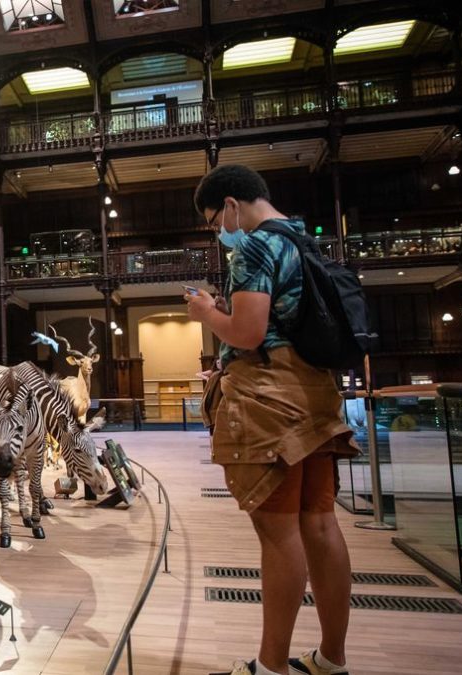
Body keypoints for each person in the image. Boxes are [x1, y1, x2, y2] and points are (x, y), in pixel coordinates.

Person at [185, 165, 359, 675]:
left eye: (216, 220)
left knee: (278, 535)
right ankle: (331, 658)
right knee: (321, 525)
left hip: (270, 402)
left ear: (233, 206)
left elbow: (247, 333)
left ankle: (271, 665)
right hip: (316, 397)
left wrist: (204, 314)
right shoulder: (301, 239)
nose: (220, 232)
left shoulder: (256, 246)